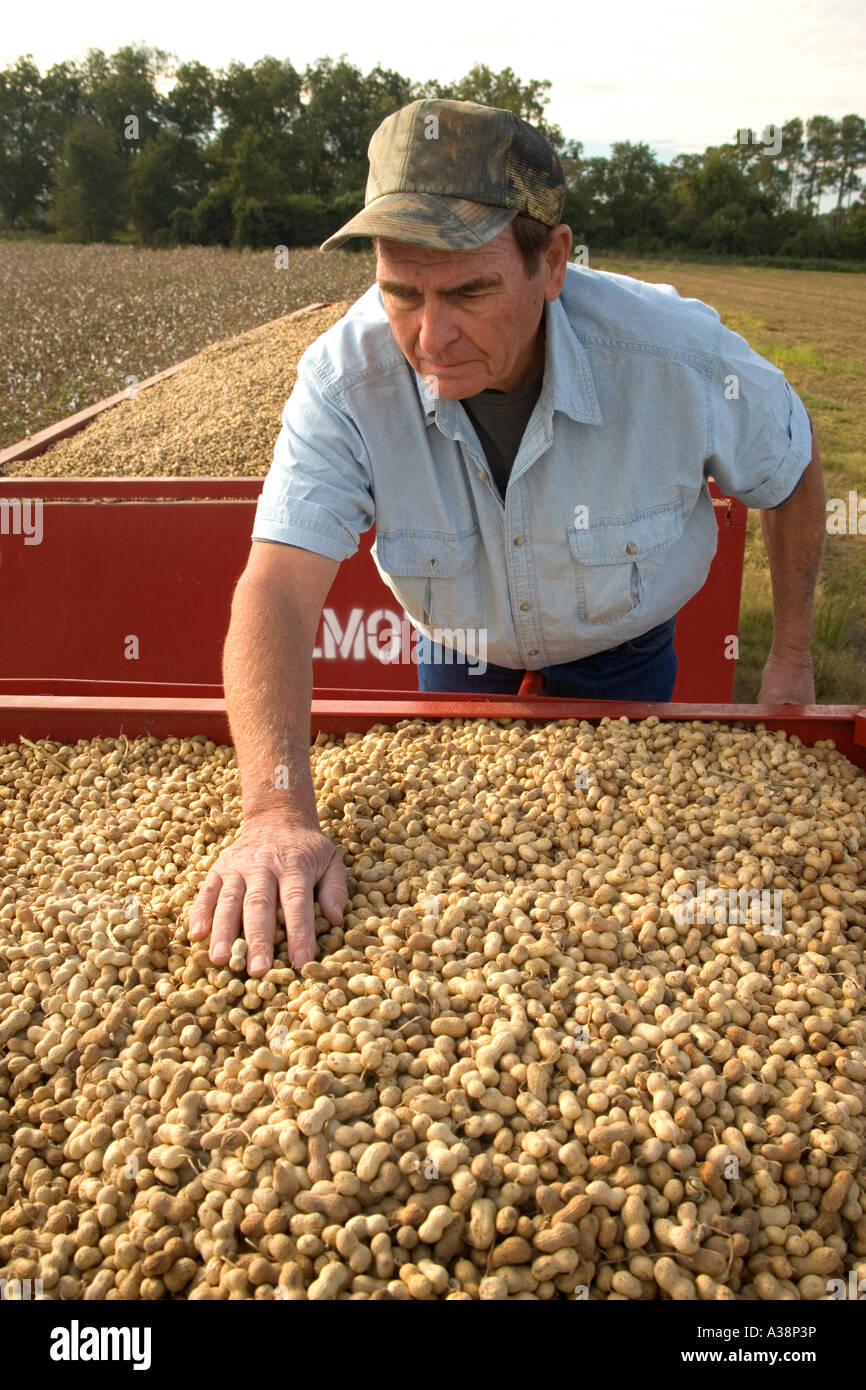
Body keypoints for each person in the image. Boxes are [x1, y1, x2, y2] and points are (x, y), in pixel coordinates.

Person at [189, 99, 825, 976]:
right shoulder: (345, 378)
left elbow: (789, 470)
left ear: (552, 262)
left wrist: (791, 655)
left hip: (622, 653)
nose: (429, 336)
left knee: (632, 905)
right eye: (400, 292)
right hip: (459, 651)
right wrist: (275, 812)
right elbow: (275, 589)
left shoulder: (674, 358)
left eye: (470, 292)